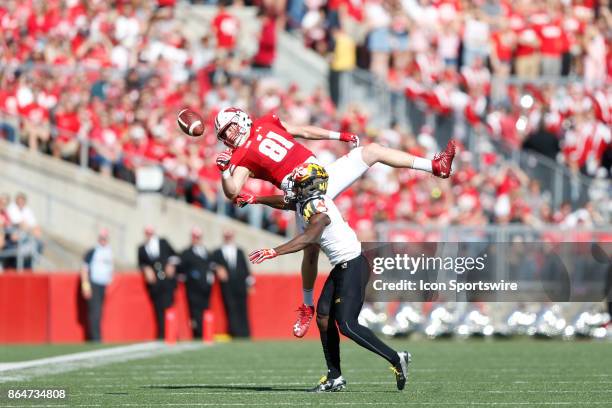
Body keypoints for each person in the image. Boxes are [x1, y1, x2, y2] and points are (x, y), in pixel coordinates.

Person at [210, 107, 455, 337]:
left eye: (229, 128)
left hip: (322, 176)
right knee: (310, 251)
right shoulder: (240, 156)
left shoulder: (266, 122)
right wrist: (224, 171)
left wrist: (340, 135)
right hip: (303, 193)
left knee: (373, 151)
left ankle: (435, 166)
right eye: (224, 134)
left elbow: (304, 131)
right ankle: (307, 306)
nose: (229, 136)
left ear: (240, 118)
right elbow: (233, 191)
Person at [247, 163, 410, 392]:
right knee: (323, 317)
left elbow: (309, 237)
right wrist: (255, 199)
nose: (295, 188)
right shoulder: (307, 201)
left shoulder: (319, 209)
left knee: (347, 325)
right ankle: (335, 377)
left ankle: (396, 358)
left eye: (300, 185)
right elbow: (286, 202)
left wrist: (274, 251)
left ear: (313, 186)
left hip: (353, 265)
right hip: (343, 266)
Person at [179, 227, 223, 339]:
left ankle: (205, 333)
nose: (196, 239)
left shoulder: (206, 252)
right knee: (195, 312)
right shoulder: (186, 253)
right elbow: (180, 268)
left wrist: (215, 270)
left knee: (205, 310)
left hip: (206, 287)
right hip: (193, 288)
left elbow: (212, 265)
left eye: (198, 237)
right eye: (194, 237)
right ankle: (198, 334)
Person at [137, 226, 179, 339]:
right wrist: (146, 269)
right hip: (155, 284)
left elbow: (175, 255)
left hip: (167, 281)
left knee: (169, 307)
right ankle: (162, 334)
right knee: (158, 309)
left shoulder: (163, 242)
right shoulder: (142, 248)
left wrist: (171, 265)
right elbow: (141, 263)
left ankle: (172, 333)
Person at [212, 229, 253, 338]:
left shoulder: (239, 251)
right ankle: (234, 332)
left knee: (242, 308)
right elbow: (210, 264)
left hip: (240, 285)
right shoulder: (217, 252)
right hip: (227, 286)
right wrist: (218, 268)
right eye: (226, 235)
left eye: (230, 235)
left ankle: (245, 333)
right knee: (230, 308)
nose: (228, 238)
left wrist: (250, 284)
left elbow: (246, 270)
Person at [81, 228, 113, 342]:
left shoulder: (109, 251)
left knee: (99, 312)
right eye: (101, 238)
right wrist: (86, 286)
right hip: (93, 283)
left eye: (105, 238)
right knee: (95, 311)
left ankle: (97, 336)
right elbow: (84, 270)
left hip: (103, 284)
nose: (103, 240)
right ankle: (95, 338)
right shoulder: (93, 251)